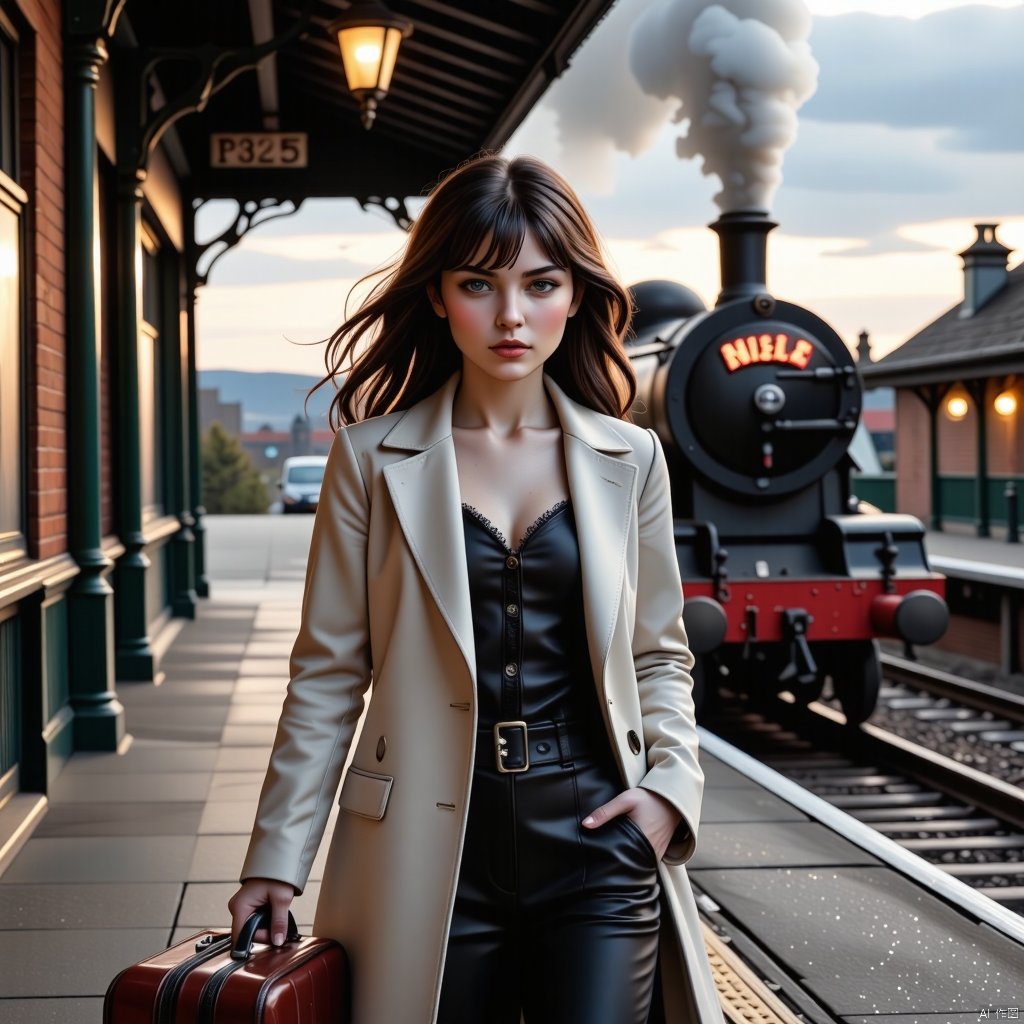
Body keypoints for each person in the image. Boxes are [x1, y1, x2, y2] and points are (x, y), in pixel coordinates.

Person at [228, 154, 721, 1024]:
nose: (511, 316)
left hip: (598, 838)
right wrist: (275, 856)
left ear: (575, 294)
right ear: (436, 295)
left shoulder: (630, 458)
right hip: (422, 848)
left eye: (540, 284)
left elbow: (658, 653)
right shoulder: (368, 459)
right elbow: (329, 674)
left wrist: (669, 792)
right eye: (478, 285)